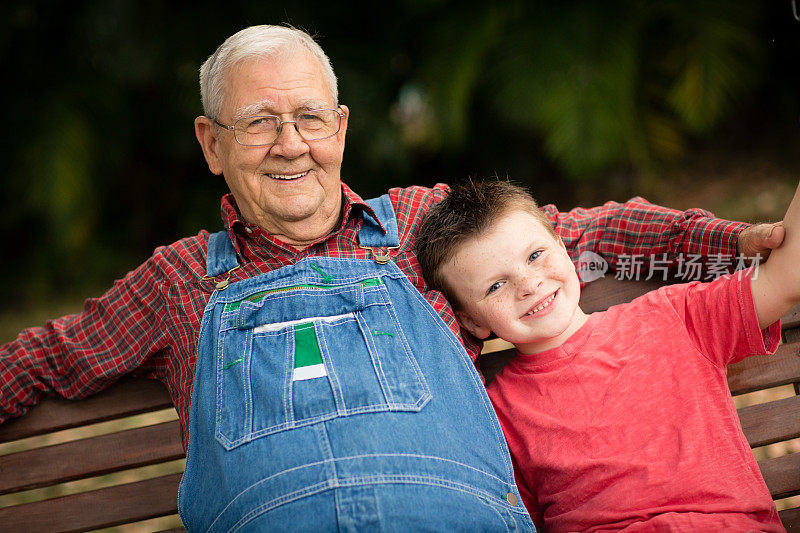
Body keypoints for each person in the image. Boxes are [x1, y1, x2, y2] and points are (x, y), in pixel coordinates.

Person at [0, 25, 783, 530]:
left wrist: (734, 239)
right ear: (211, 142)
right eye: (258, 123)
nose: (289, 144)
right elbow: (44, 356)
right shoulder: (177, 281)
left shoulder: (419, 225)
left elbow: (587, 234)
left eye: (309, 117)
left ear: (340, 128)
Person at [415, 178, 791, 532]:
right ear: (471, 321)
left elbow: (785, 280)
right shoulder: (497, 415)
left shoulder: (676, 315)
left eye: (535, 255)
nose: (528, 284)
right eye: (496, 285)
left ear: (565, 251)